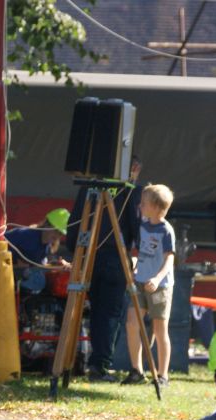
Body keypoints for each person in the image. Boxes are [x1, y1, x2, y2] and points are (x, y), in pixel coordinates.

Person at [66, 155, 141, 381]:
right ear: (133, 168)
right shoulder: (129, 191)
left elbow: (75, 221)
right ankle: (99, 364)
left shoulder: (91, 187)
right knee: (108, 314)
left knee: (90, 310)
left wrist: (74, 250)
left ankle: (75, 362)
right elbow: (136, 225)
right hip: (114, 256)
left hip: (88, 254)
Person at [123, 183, 176, 386]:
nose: (140, 206)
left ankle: (163, 375)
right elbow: (143, 253)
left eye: (144, 203)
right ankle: (137, 370)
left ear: (155, 206)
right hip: (140, 281)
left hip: (160, 286)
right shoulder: (143, 226)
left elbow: (169, 259)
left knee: (159, 328)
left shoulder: (166, 231)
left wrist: (156, 278)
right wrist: (136, 267)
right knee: (131, 323)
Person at [4, 208, 69, 294]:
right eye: (55, 230)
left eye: (60, 233)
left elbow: (38, 265)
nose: (57, 235)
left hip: (13, 275)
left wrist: (57, 265)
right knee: (38, 280)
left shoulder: (46, 246)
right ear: (46, 224)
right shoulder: (28, 237)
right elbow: (23, 266)